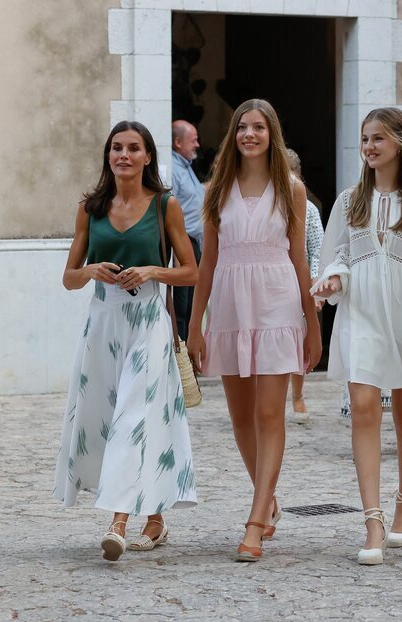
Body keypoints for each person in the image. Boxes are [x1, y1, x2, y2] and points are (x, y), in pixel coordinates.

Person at [54, 121, 200, 562]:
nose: (124, 155)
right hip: (103, 321)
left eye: (133, 148)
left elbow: (192, 271)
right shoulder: (90, 207)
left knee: (133, 416)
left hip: (149, 320)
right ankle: (154, 519)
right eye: (117, 148)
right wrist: (91, 271)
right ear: (108, 156)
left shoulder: (165, 206)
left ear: (148, 157)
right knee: (108, 415)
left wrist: (154, 271)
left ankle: (118, 521)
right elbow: (68, 278)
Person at [314, 107, 402, 565]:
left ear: (401, 143)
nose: (370, 147)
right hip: (362, 316)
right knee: (365, 408)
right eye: (365, 139)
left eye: (379, 139)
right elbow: (334, 255)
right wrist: (333, 278)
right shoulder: (349, 200)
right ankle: (372, 521)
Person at [187, 99, 322, 562]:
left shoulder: (292, 189)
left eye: (258, 127)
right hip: (228, 304)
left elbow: (300, 260)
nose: (249, 134)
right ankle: (269, 500)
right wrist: (195, 324)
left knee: (269, 415)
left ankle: (255, 519)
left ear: (272, 134)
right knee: (241, 418)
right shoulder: (215, 189)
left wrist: (312, 323)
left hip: (277, 301)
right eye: (242, 127)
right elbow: (207, 263)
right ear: (233, 135)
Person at [285, 147, 325, 423]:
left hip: (300, 283)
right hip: (270, 282)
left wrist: (315, 286)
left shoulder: (308, 209)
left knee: (300, 342)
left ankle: (297, 394)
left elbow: (317, 249)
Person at [170, 120, 206, 340]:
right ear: (177, 142)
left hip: (194, 244)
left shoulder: (186, 167)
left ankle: (188, 364)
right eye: (193, 141)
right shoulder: (173, 169)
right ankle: (181, 363)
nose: (198, 145)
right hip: (183, 245)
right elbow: (168, 209)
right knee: (181, 307)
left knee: (192, 305)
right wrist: (175, 251)